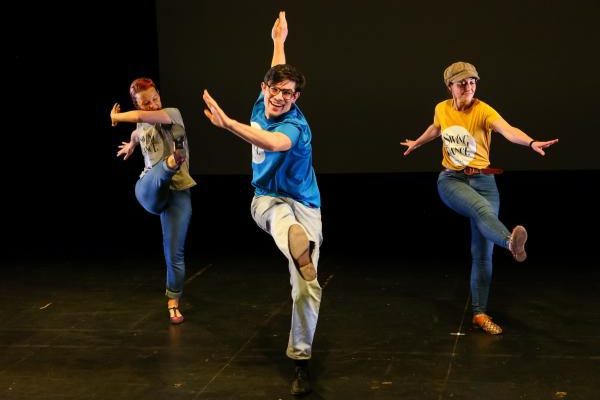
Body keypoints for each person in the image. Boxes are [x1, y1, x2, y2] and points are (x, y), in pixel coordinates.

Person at [202, 11, 322, 396]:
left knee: (307, 287)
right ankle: (295, 240)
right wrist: (278, 41)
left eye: (288, 93)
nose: (279, 96)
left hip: (306, 206)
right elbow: (276, 70)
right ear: (264, 87)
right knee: (282, 220)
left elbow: (271, 142)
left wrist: (228, 125)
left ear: (296, 98)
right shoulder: (262, 101)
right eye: (274, 88)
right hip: (267, 200)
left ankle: (300, 358)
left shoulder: (294, 127)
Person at [401, 61, 558, 335]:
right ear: (450, 86)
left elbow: (508, 130)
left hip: (485, 181)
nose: (469, 87)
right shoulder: (442, 108)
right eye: (462, 83)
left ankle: (480, 313)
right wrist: (417, 141)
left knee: (483, 252)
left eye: (472, 82)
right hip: (452, 180)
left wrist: (532, 142)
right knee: (482, 210)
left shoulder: (483, 110)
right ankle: (510, 242)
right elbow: (436, 128)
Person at [110, 77, 196, 325]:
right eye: (146, 103)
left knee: (175, 253)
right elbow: (138, 130)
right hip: (149, 191)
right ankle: (172, 162)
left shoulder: (172, 114)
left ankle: (173, 301)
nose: (153, 105)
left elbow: (139, 117)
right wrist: (131, 145)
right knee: (161, 171)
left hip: (177, 194)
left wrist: (116, 117)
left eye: (155, 99)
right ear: (138, 104)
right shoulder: (141, 124)